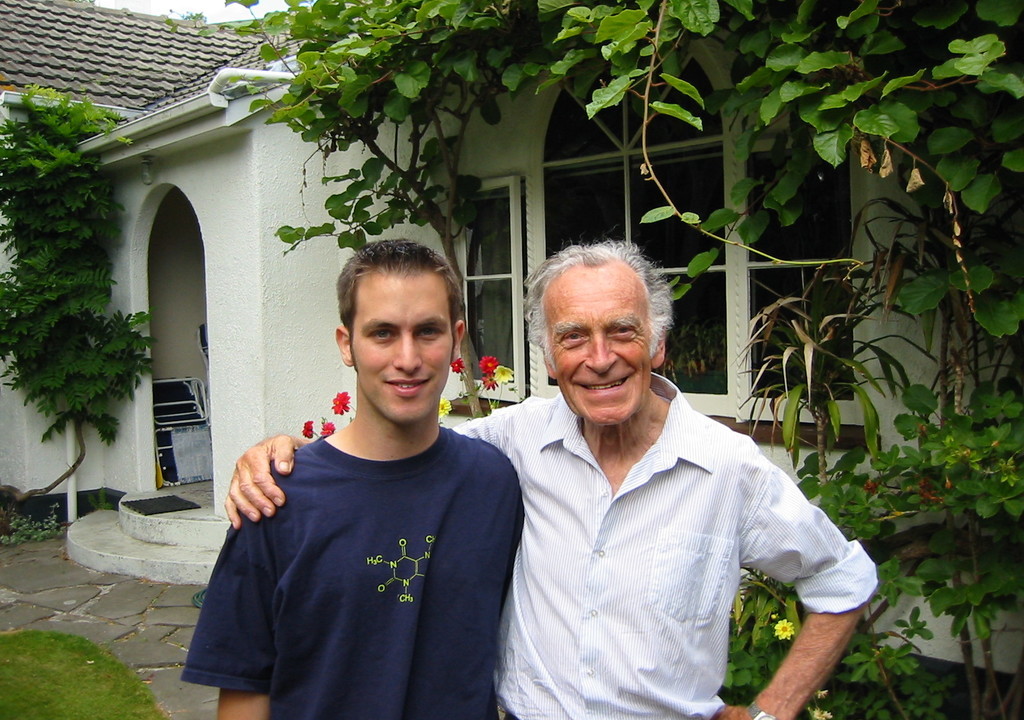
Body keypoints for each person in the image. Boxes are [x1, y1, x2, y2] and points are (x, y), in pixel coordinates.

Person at [228, 240, 878, 720]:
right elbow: (395, 447)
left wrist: (772, 712)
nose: (600, 359)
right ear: (547, 356)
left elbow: (842, 580)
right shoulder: (509, 446)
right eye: (574, 338)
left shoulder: (729, 467)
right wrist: (284, 452)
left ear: (656, 342)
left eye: (621, 331)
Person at [182, 239, 523, 720]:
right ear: (347, 344)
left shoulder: (495, 482)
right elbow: (244, 686)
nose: (408, 358)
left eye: (428, 331)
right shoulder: (276, 498)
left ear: (457, 339)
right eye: (382, 333)